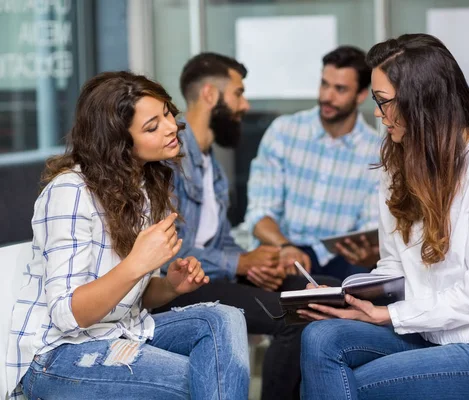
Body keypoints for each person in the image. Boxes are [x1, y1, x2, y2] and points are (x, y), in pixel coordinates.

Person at [299, 33, 469, 400]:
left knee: (346, 386)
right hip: (423, 334)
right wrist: (346, 296)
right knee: (320, 336)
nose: (377, 113)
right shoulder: (399, 159)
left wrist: (387, 316)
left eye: (384, 101)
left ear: (422, 101)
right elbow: (393, 268)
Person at [6, 71, 249, 400]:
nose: (170, 127)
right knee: (198, 379)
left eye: (166, 113)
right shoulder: (70, 191)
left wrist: (171, 286)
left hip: (126, 331)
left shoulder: (148, 187)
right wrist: (136, 263)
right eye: (151, 126)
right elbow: (67, 314)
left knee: (224, 318)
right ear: (119, 143)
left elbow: (134, 297)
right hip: (58, 355)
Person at [152, 53, 339, 400]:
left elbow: (222, 243)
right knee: (293, 317)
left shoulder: (213, 170)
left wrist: (259, 263)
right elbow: (168, 255)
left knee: (326, 292)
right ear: (210, 94)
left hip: (214, 276)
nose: (244, 104)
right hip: (179, 286)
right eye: (238, 93)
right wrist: (241, 264)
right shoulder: (170, 163)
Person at [244, 46, 382, 281]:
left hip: (342, 260)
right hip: (284, 249)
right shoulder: (284, 131)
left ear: (360, 95)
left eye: (340, 89)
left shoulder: (377, 150)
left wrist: (369, 255)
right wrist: (285, 247)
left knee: (363, 281)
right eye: (324, 84)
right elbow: (259, 213)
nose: (327, 96)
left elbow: (371, 226)